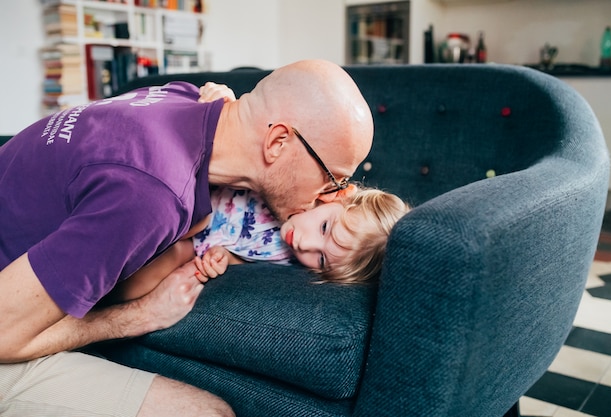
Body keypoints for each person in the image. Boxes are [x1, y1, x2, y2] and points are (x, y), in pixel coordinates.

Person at [0, 60, 373, 417]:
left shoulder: (181, 96)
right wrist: (137, 317)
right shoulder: (150, 197)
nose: (329, 194)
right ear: (276, 142)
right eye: (333, 178)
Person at [112, 184, 410, 302]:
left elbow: (246, 258)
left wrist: (222, 258)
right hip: (191, 198)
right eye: (323, 228)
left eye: (321, 260)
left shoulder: (290, 259)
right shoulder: (303, 186)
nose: (305, 245)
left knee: (162, 265)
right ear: (340, 195)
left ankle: (102, 298)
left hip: (196, 244)